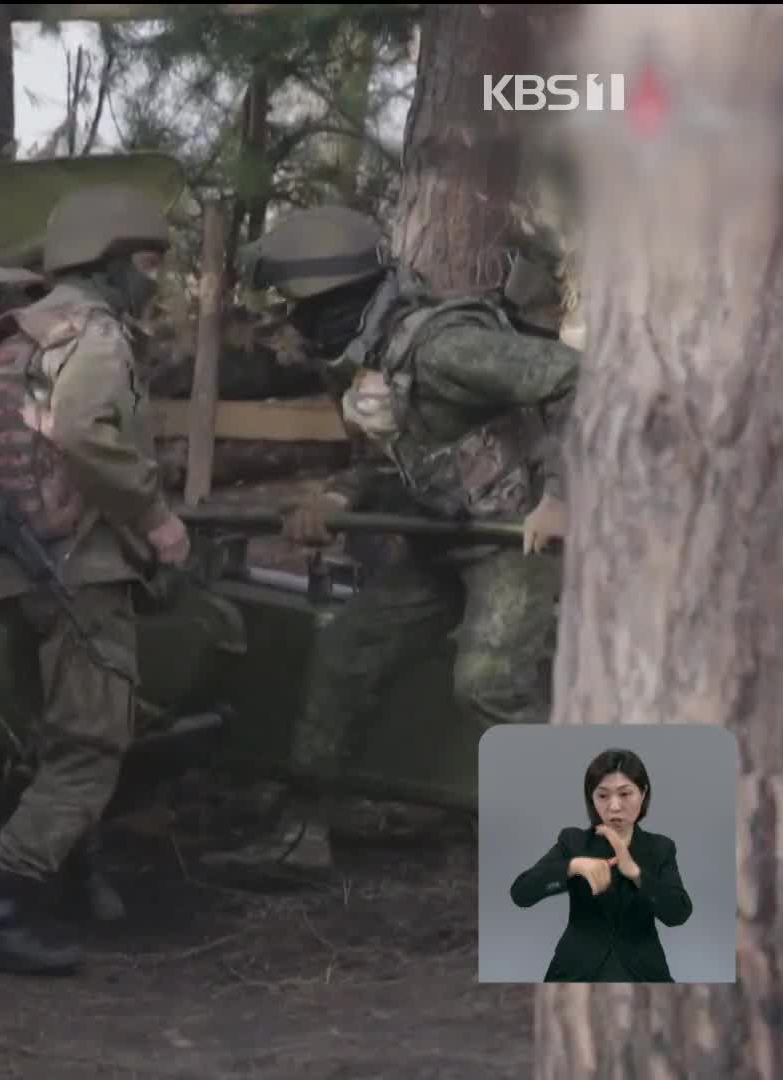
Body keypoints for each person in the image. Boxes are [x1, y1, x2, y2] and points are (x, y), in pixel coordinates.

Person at [204, 205, 579, 873]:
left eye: (302, 308)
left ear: (339, 300)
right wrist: (335, 499)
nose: (295, 325)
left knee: (490, 683)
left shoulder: (445, 347)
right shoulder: (373, 361)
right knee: (345, 653)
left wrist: (559, 495)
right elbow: (402, 458)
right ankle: (302, 831)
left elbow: (579, 382)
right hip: (444, 541)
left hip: (513, 540)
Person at [0, 184, 192, 976]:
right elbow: (82, 429)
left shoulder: (12, 339)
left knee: (53, 741)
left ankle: (77, 878)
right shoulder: (96, 334)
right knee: (90, 748)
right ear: (111, 264)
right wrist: (154, 518)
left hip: (20, 571)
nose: (154, 278)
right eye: (147, 261)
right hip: (81, 571)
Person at [509, 748, 693, 982]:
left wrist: (637, 874)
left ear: (643, 793)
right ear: (591, 798)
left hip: (642, 971)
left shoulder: (660, 848)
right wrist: (573, 866)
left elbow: (678, 914)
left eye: (625, 794)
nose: (614, 806)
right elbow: (521, 894)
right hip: (576, 970)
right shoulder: (573, 842)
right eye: (603, 795)